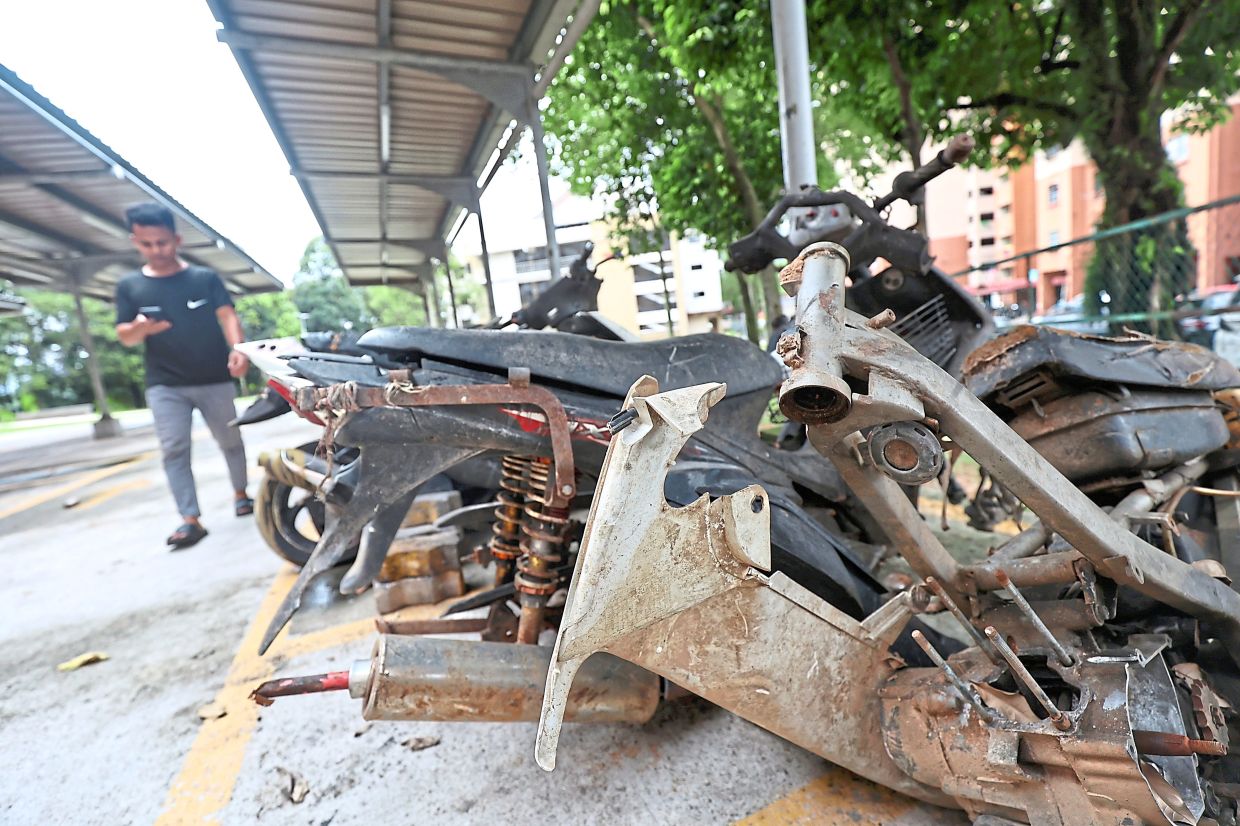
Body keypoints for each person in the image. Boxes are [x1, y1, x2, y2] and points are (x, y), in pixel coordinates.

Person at [115, 203, 252, 549]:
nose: (156, 250)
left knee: (230, 441)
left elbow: (228, 316)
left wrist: (239, 349)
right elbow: (125, 336)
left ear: (176, 239)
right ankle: (189, 520)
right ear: (135, 241)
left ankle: (241, 494)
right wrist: (140, 327)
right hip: (165, 384)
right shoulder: (130, 286)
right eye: (147, 244)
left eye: (162, 242)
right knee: (174, 448)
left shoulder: (204, 278)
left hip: (213, 376)